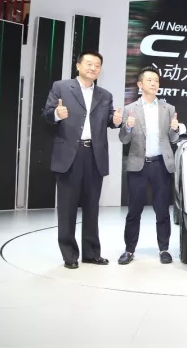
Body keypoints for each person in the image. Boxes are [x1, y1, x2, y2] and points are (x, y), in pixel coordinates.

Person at [43, 51, 122, 269]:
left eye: (97, 65)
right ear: (78, 65)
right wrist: (57, 114)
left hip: (94, 156)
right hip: (70, 154)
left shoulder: (105, 95)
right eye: (89, 63)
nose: (93, 68)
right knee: (67, 208)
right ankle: (69, 255)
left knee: (92, 208)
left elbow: (108, 120)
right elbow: (47, 114)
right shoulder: (61, 87)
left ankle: (91, 253)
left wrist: (115, 120)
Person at [117, 67, 180, 265]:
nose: (154, 84)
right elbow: (123, 139)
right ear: (140, 84)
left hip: (161, 165)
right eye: (150, 80)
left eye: (157, 81)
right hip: (138, 166)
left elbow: (173, 138)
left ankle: (164, 249)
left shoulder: (168, 108)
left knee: (162, 211)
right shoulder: (130, 109)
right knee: (134, 211)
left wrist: (175, 129)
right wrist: (127, 127)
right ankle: (129, 250)